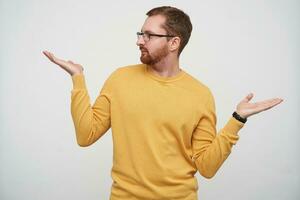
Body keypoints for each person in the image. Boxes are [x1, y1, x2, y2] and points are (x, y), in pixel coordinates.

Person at [43, 6, 283, 200]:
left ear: (174, 43)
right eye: (140, 33)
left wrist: (237, 119)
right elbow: (86, 135)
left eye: (149, 35)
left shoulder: (200, 95)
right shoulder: (120, 79)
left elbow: (207, 167)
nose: (140, 41)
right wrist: (78, 79)